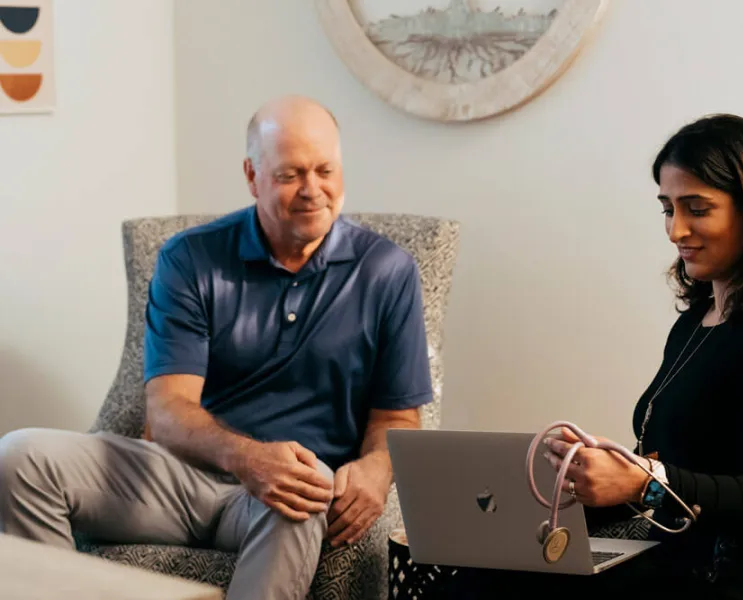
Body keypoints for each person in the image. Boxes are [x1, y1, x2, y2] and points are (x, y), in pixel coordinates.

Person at [0, 95, 433, 600]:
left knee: (302, 490)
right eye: (290, 174)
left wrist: (377, 469)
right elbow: (166, 412)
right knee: (18, 456)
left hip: (291, 498)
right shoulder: (190, 257)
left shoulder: (387, 271)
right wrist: (248, 458)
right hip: (175, 479)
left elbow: (397, 419)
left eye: (325, 170)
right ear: (252, 176)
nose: (312, 190)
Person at [472, 114, 743, 599]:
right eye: (667, 209)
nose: (676, 230)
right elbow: (671, 465)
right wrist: (591, 473)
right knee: (487, 573)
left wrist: (639, 483)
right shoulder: (695, 323)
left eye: (696, 208)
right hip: (689, 557)